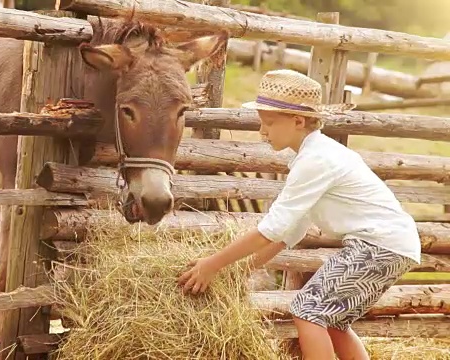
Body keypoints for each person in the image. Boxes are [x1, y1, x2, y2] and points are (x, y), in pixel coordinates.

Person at [176, 69, 421, 360]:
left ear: (298, 121)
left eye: (268, 123)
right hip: (393, 245)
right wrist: (240, 271)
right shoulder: (315, 157)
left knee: (307, 310)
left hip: (378, 246)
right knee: (334, 322)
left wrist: (212, 264)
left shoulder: (316, 160)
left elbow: (271, 230)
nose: (262, 131)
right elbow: (290, 233)